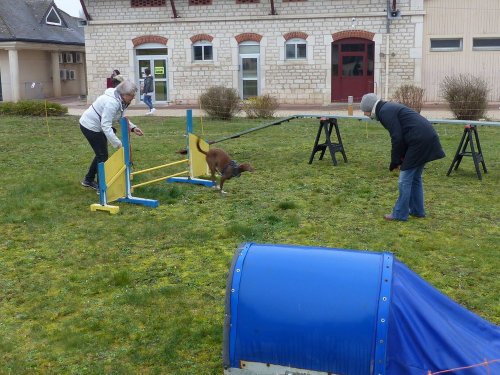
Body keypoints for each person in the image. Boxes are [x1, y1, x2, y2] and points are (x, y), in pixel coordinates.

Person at [360, 93, 445, 221]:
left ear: (369, 108)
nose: (365, 115)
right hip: (425, 136)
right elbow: (403, 134)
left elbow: (397, 137)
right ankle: (417, 210)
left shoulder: (384, 112)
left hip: (419, 140)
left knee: (404, 179)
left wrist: (395, 161)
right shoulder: (387, 108)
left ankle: (399, 214)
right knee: (415, 177)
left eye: (365, 112)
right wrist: (402, 157)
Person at [79, 80, 144, 190]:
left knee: (101, 154)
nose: (133, 98)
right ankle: (101, 187)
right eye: (132, 96)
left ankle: (88, 180)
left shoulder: (122, 101)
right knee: (102, 155)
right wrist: (118, 144)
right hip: (90, 126)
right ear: (124, 94)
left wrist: (133, 128)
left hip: (98, 126)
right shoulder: (112, 103)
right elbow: (106, 126)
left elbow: (121, 118)